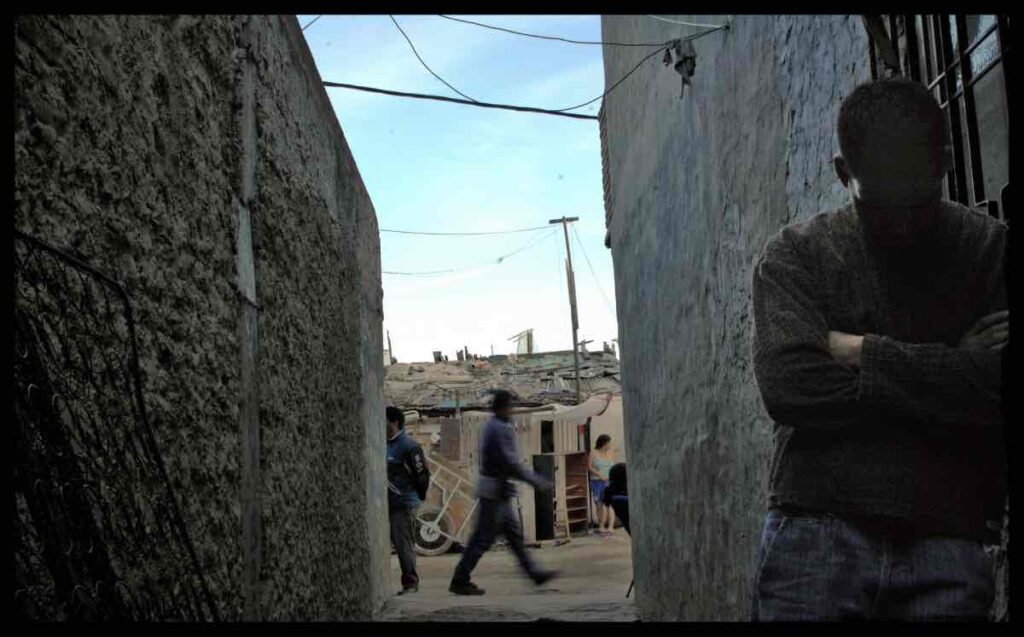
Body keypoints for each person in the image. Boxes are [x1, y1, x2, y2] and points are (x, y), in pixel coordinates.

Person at [750, 78, 1007, 621]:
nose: (904, 227)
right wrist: (952, 366)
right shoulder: (797, 256)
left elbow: (998, 387)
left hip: (949, 537)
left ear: (944, 162)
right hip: (816, 533)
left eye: (918, 201)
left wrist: (863, 351)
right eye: (883, 206)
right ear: (844, 173)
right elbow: (791, 387)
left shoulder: (989, 250)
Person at [449, 390, 559, 595]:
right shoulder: (500, 428)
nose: (512, 410)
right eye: (510, 406)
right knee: (482, 539)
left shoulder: (492, 426)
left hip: (495, 490)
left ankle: (535, 574)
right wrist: (535, 481)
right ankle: (460, 579)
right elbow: (510, 462)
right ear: (502, 408)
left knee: (513, 537)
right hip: (494, 492)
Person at [386, 406, 431, 596]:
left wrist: (416, 497)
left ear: (394, 422)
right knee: (398, 542)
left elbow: (422, 475)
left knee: (403, 543)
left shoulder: (409, 446)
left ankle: (410, 583)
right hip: (390, 502)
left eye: (385, 420)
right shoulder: (386, 444)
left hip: (403, 503)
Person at [588, 434, 617, 535]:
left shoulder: (610, 453)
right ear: (603, 443)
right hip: (597, 482)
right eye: (608, 443)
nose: (609, 445)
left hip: (609, 481)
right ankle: (601, 526)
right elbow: (590, 468)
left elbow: (614, 466)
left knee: (610, 504)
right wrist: (599, 475)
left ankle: (611, 527)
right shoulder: (593, 453)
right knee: (600, 505)